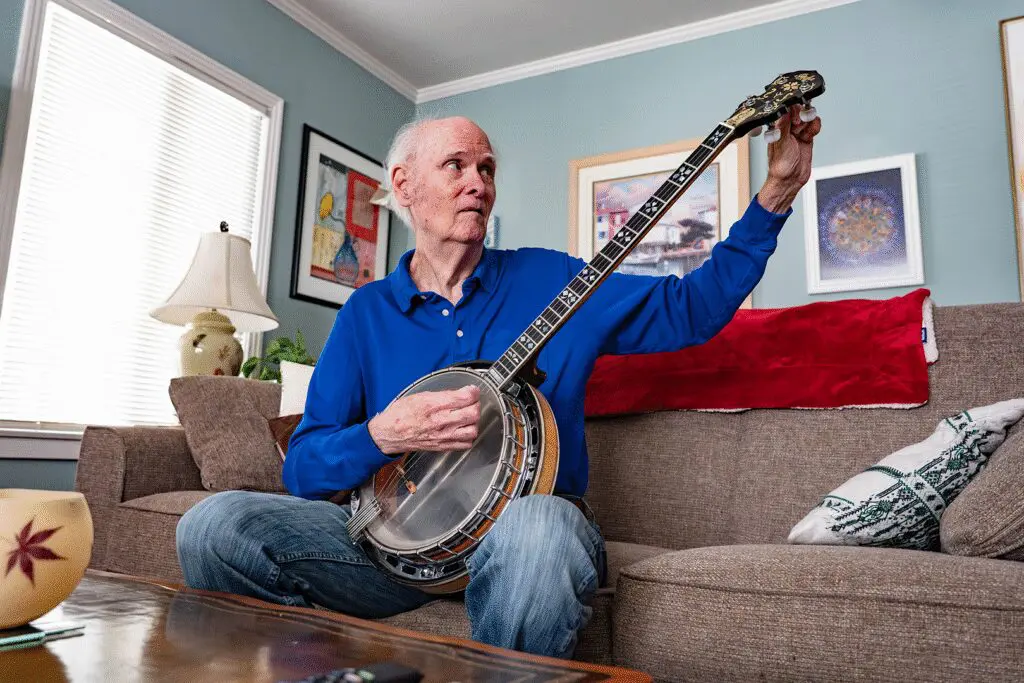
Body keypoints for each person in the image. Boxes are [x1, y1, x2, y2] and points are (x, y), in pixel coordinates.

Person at [176, 106, 822, 659]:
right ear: (404, 185)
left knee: (538, 530)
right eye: (455, 165)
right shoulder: (366, 312)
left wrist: (777, 194)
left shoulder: (554, 283)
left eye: (486, 169)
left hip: (521, 536)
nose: (477, 183)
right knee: (213, 525)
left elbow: (693, 308)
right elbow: (305, 470)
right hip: (391, 552)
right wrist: (381, 433)